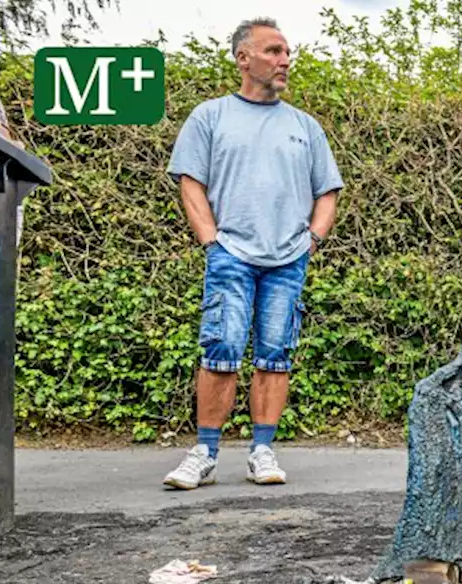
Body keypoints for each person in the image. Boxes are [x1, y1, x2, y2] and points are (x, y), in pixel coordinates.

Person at [163, 17, 343, 490]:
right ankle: (203, 452)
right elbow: (190, 181)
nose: (285, 60)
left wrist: (313, 239)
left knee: (275, 354)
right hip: (231, 254)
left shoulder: (306, 127)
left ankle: (262, 450)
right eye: (274, 51)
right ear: (244, 58)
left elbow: (327, 192)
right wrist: (210, 239)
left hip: (287, 259)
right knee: (220, 346)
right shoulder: (210, 116)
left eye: (287, 53)